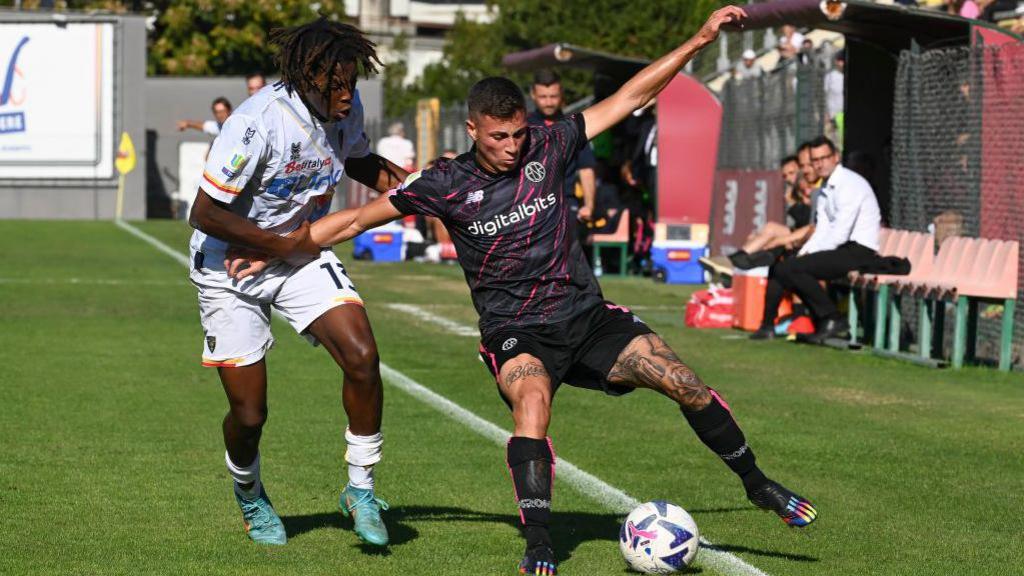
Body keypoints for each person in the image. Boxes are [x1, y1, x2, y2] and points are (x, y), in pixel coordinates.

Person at [227, 6, 817, 573]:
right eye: (500, 136)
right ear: (474, 129)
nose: (512, 146)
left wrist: (700, 39)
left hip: (587, 318)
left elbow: (631, 96)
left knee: (685, 381)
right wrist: (273, 246)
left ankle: (758, 485)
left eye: (518, 134)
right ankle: (539, 544)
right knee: (532, 404)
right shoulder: (446, 183)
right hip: (515, 332)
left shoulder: (550, 145)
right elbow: (353, 221)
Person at [187, 17, 408, 547]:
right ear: (307, 76)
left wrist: (414, 185)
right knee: (250, 412)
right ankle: (249, 493)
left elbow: (358, 161)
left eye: (352, 83)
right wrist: (278, 244)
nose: (347, 95)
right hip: (229, 268)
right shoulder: (257, 120)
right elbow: (204, 212)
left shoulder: (343, 110)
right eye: (337, 85)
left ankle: (360, 488)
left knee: (362, 356)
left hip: (298, 254)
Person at [751, 136, 881, 342]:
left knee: (794, 268)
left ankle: (832, 318)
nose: (819, 164)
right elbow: (822, 229)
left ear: (836, 157)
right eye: (815, 160)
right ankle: (767, 325)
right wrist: (805, 252)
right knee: (782, 268)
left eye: (824, 158)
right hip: (841, 249)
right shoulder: (825, 189)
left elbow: (840, 232)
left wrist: (809, 256)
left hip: (859, 251)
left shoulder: (850, 184)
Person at [528, 70, 598, 242]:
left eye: (553, 96)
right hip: (529, 205)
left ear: (561, 95)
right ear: (533, 95)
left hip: (565, 203)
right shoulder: (523, 127)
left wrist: (589, 205)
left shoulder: (573, 127)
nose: (549, 102)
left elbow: (586, 168)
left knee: (566, 261)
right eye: (543, 96)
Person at [728, 154, 812, 269]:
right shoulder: (794, 193)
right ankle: (737, 265)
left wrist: (793, 204)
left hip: (810, 235)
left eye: (791, 173)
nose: (788, 178)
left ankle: (733, 263)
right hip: (799, 233)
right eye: (785, 175)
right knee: (753, 237)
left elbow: (809, 222)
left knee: (771, 230)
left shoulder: (811, 189)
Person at [824, 50, 845, 142]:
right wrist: (826, 113)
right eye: (841, 61)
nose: (843, 63)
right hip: (833, 116)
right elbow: (825, 96)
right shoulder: (830, 77)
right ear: (836, 62)